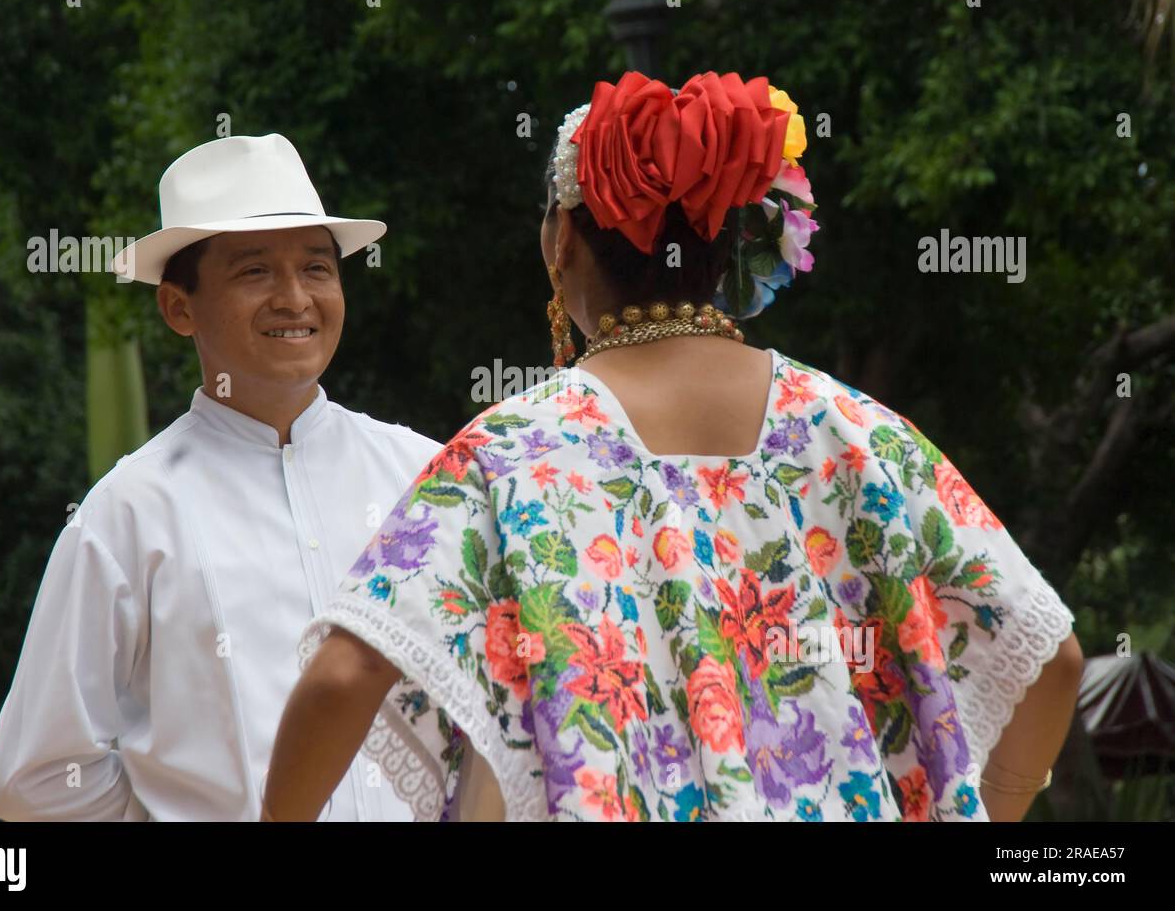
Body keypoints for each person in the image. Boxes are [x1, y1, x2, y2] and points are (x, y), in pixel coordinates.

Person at [263, 72, 1083, 822]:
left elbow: (345, 675)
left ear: (561, 242)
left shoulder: (513, 455)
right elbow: (1054, 657)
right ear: (731, 243)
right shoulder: (863, 437)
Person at [0, 133, 441, 820]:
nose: (295, 299)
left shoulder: (426, 476)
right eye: (254, 272)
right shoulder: (129, 513)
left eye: (317, 268)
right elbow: (35, 777)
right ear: (178, 307)